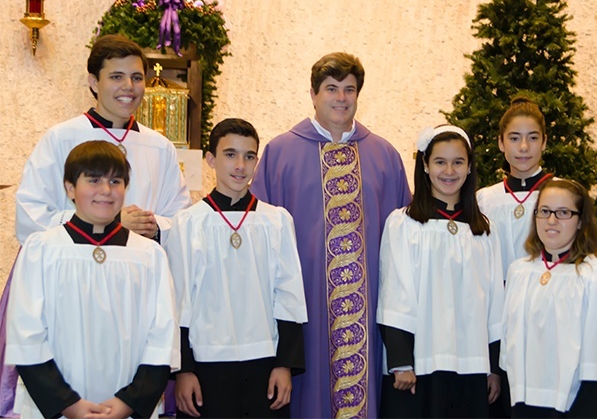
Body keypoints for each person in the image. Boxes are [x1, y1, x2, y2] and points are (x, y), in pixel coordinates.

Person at [0, 34, 191, 415]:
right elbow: (31, 213)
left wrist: (155, 228)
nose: (129, 88)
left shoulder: (160, 146)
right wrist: (108, 221)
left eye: (136, 78)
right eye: (116, 77)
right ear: (93, 82)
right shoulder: (62, 136)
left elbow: (180, 215)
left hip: (134, 281)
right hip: (66, 288)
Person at [250, 52, 411, 418]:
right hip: (303, 308)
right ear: (313, 93)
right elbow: (259, 239)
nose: (341, 98)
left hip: (367, 311)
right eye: (331, 89)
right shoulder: (280, 152)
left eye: (349, 89)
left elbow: (405, 243)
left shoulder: (384, 155)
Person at [5, 141, 179, 419]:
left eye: (115, 180)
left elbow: (162, 338)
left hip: (127, 408)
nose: (106, 191)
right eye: (94, 180)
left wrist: (127, 403)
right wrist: (68, 405)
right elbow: (26, 334)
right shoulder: (42, 250)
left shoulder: (149, 255)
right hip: (57, 407)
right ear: (70, 187)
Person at [166, 118, 308, 418]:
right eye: (230, 154)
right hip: (206, 363)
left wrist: (284, 364)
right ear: (210, 159)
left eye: (249, 156)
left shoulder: (277, 220)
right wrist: (184, 371)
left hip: (265, 361)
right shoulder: (188, 222)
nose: (240, 165)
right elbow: (178, 301)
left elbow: (289, 296)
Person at [377, 125, 504, 418]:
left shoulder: (483, 230)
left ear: (470, 167)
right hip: (419, 363)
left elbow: (495, 302)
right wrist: (401, 362)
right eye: (440, 162)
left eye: (458, 162)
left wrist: (494, 368)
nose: (449, 171)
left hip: (472, 361)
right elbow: (396, 292)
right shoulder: (404, 224)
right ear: (425, 165)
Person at [500, 178, 597, 418]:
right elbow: (511, 353)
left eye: (563, 212)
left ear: (580, 221)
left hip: (579, 408)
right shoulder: (520, 272)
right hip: (525, 406)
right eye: (544, 211)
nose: (551, 220)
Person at [477, 96, 553, 282]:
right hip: (497, 301)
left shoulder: (562, 194)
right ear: (501, 143)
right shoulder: (485, 200)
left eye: (533, 138)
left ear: (544, 142)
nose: (524, 147)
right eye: (514, 138)